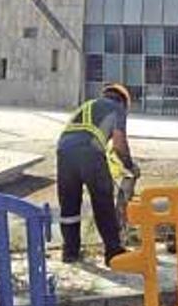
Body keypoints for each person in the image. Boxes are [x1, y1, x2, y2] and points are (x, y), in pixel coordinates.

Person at [56, 83, 139, 264]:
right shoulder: (117, 109)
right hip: (90, 152)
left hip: (63, 152)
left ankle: (70, 252)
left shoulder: (88, 105)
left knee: (69, 205)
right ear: (123, 101)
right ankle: (113, 252)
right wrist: (129, 165)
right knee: (103, 203)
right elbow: (119, 144)